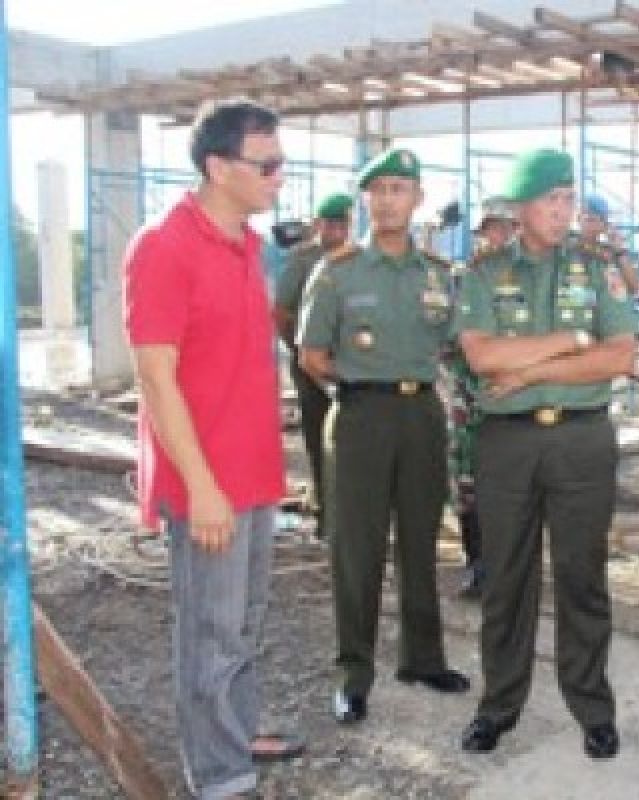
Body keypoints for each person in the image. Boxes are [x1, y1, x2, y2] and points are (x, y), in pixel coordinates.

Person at [123, 98, 304, 800]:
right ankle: (221, 777)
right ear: (218, 167)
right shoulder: (165, 246)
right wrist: (200, 487)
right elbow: (154, 376)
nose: (279, 176)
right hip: (207, 479)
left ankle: (238, 731)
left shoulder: (247, 245)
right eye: (268, 164)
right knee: (212, 630)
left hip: (252, 471)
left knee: (245, 621)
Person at [454, 149, 637, 758]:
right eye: (550, 201)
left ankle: (592, 707)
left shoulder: (596, 268)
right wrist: (569, 340)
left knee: (583, 576)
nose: (562, 212)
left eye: (568, 199)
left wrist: (530, 371)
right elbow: (482, 356)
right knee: (507, 577)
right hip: (506, 443)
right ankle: (498, 705)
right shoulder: (484, 273)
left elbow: (620, 356)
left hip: (582, 438)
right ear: (521, 207)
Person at [297, 147, 470, 726]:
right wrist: (359, 380)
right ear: (365, 200)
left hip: (421, 415)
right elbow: (311, 356)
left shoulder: (438, 275)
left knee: (421, 540)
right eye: (379, 190)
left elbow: (458, 344)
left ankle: (423, 659)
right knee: (358, 548)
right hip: (360, 417)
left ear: (418, 199)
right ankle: (353, 674)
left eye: (400, 189)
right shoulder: (338, 271)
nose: (390, 200)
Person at [445, 197, 517, 597]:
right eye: (492, 229)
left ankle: (511, 564)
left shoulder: (531, 279)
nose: (498, 237)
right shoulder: (459, 279)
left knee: (515, 483)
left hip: (519, 394)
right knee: (468, 482)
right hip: (470, 397)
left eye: (506, 229)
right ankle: (477, 562)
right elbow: (443, 337)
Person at [271, 191, 352, 538]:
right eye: (331, 224)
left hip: (349, 365)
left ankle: (350, 515)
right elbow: (281, 313)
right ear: (318, 225)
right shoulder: (304, 261)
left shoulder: (357, 259)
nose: (338, 231)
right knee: (320, 440)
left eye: (343, 224)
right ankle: (327, 517)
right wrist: (300, 348)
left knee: (352, 441)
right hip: (312, 366)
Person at [578, 192, 639, 296]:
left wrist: (619, 250)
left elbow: (636, 289)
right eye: (587, 220)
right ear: (579, 220)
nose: (590, 226)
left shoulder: (614, 254)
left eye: (594, 220)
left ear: (604, 225)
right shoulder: (569, 246)